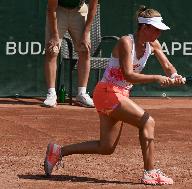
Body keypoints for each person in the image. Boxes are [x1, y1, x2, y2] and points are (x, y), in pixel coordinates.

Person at [44, 5, 184, 185]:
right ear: (144, 27)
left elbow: (167, 65)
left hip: (120, 94)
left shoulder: (153, 44)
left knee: (106, 147)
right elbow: (128, 75)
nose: (159, 33)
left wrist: (174, 75)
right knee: (147, 121)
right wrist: (156, 78)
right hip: (107, 92)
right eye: (156, 29)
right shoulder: (126, 42)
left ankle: (59, 151)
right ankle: (150, 172)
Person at [43, 0, 98, 108]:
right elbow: (51, 9)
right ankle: (51, 94)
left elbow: (92, 8)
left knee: (85, 50)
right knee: (52, 50)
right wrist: (54, 35)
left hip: (80, 10)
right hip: (58, 11)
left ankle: (82, 94)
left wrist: (86, 33)